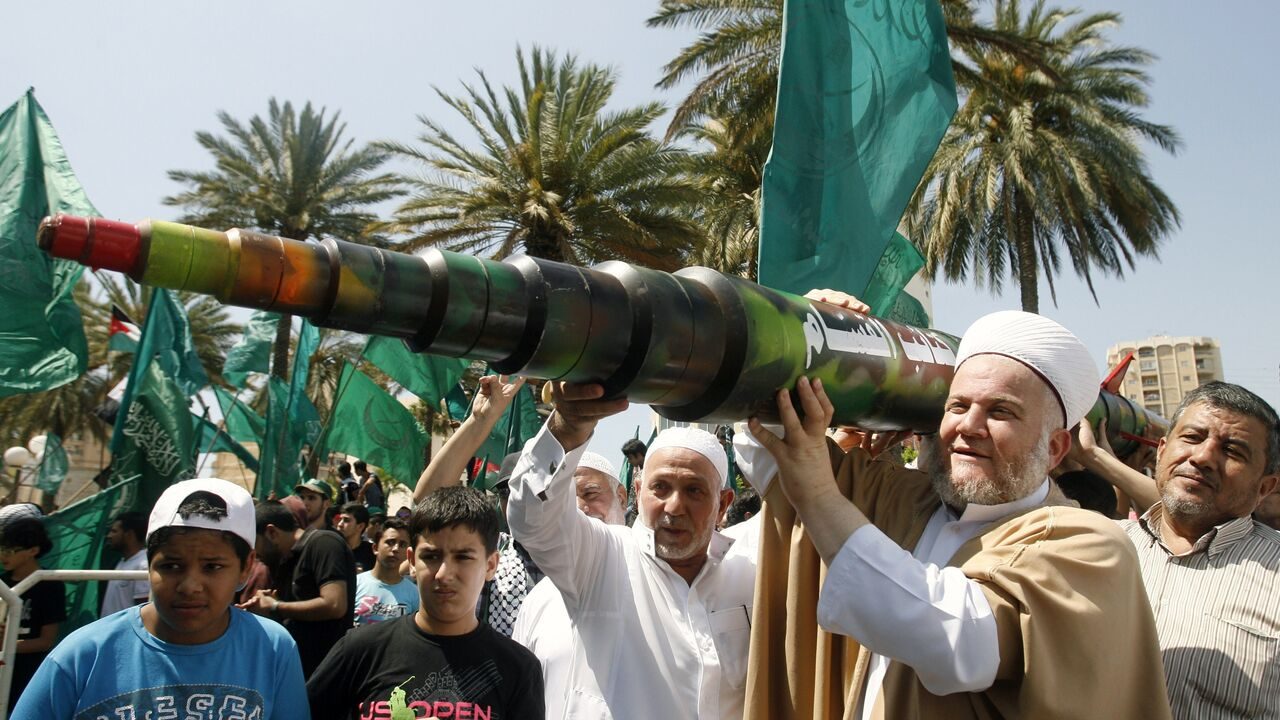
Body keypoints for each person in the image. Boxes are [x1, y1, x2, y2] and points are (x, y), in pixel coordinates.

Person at [741, 301, 1170, 719]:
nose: (968, 426)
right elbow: (768, 448)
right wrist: (803, 337)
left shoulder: (1091, 543)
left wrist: (819, 495)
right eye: (957, 407)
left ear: (1055, 448)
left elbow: (958, 641)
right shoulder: (904, 498)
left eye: (1000, 411)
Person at [507, 382, 753, 720]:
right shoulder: (603, 557)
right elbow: (533, 518)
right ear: (637, 491)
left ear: (723, 503)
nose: (674, 506)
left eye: (694, 490)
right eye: (660, 487)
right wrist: (566, 429)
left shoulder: (748, 572)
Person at [12, 478, 306, 719]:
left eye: (213, 567)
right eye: (171, 566)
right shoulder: (83, 655)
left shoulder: (273, 648)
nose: (190, 586)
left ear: (245, 567)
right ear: (149, 565)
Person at [1071, 380, 1280, 718]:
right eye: (1192, 437)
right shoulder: (1090, 548)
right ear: (1162, 451)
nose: (1203, 457)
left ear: (1265, 487)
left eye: (1232, 451)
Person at [307, 486, 544, 719]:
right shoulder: (359, 650)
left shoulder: (518, 668)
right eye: (431, 557)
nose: (444, 574)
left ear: (490, 565)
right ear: (412, 561)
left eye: (463, 557)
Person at [412, 374, 543, 635]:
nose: (517, 500)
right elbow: (428, 501)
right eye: (507, 492)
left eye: (528, 490)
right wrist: (480, 420)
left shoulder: (577, 554)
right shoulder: (489, 548)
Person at [512, 451, 629, 719]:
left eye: (590, 494)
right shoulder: (538, 599)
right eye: (567, 499)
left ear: (621, 497)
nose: (579, 508)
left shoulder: (655, 584)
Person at [243, 500, 356, 678]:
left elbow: (335, 605)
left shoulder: (324, 543)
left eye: (256, 543)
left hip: (325, 674)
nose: (256, 553)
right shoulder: (286, 561)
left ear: (272, 532)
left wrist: (275, 606)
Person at [1, 516, 65, 712]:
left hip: (28, 675)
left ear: (33, 551)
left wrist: (7, 644)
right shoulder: (2, 582)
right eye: (1, 549)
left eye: (10, 550)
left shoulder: (49, 585)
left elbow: (46, 641)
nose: (3, 556)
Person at [352, 517, 418, 627]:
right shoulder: (355, 584)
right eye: (390, 542)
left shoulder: (414, 594)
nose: (396, 548)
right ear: (375, 548)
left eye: (402, 544)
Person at [99, 510, 149, 616]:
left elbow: (143, 610)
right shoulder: (122, 562)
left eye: (114, 531)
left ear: (129, 534)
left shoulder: (143, 566)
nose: (109, 536)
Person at [334, 502, 375, 573]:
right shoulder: (330, 550)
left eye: (346, 520)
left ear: (360, 526)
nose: (340, 524)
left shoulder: (372, 553)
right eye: (339, 519)